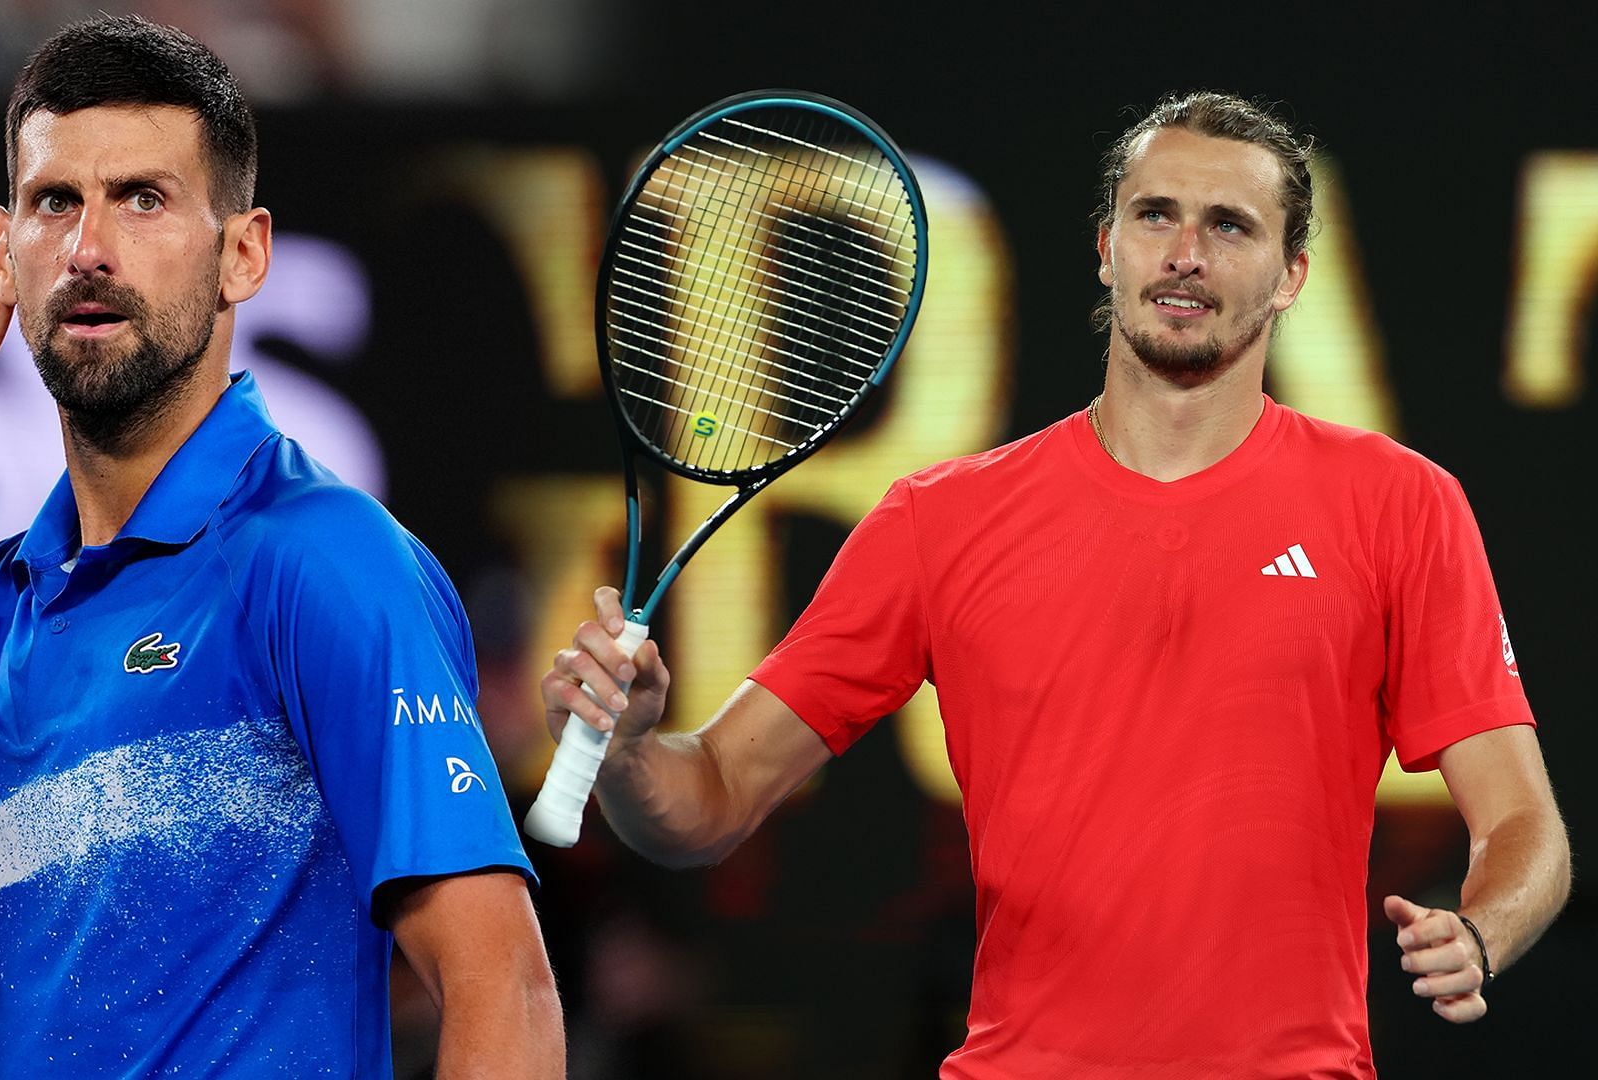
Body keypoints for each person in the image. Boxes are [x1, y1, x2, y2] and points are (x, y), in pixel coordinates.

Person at [541, 91, 1571, 1078]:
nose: (1184, 253)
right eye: (1154, 214)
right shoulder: (939, 522)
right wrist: (628, 750)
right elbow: (709, 800)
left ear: (1293, 274)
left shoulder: (1401, 506)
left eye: (1230, 225)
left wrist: (1482, 932)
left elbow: (1526, 829)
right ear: (1105, 247)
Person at [0, 15, 562, 1079]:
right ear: (6, 253)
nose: (90, 248)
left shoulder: (325, 564)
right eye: (58, 202)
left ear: (244, 253)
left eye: (143, 199)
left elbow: (501, 991)